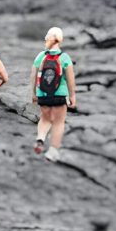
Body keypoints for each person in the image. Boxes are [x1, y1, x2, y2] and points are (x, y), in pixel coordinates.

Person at [30, 26, 76, 162]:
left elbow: (33, 76)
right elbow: (70, 79)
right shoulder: (65, 57)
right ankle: (52, 151)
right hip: (59, 95)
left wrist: (33, 93)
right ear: (60, 40)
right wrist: (72, 96)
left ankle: (40, 139)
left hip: (43, 94)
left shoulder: (40, 56)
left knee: (45, 118)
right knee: (58, 122)